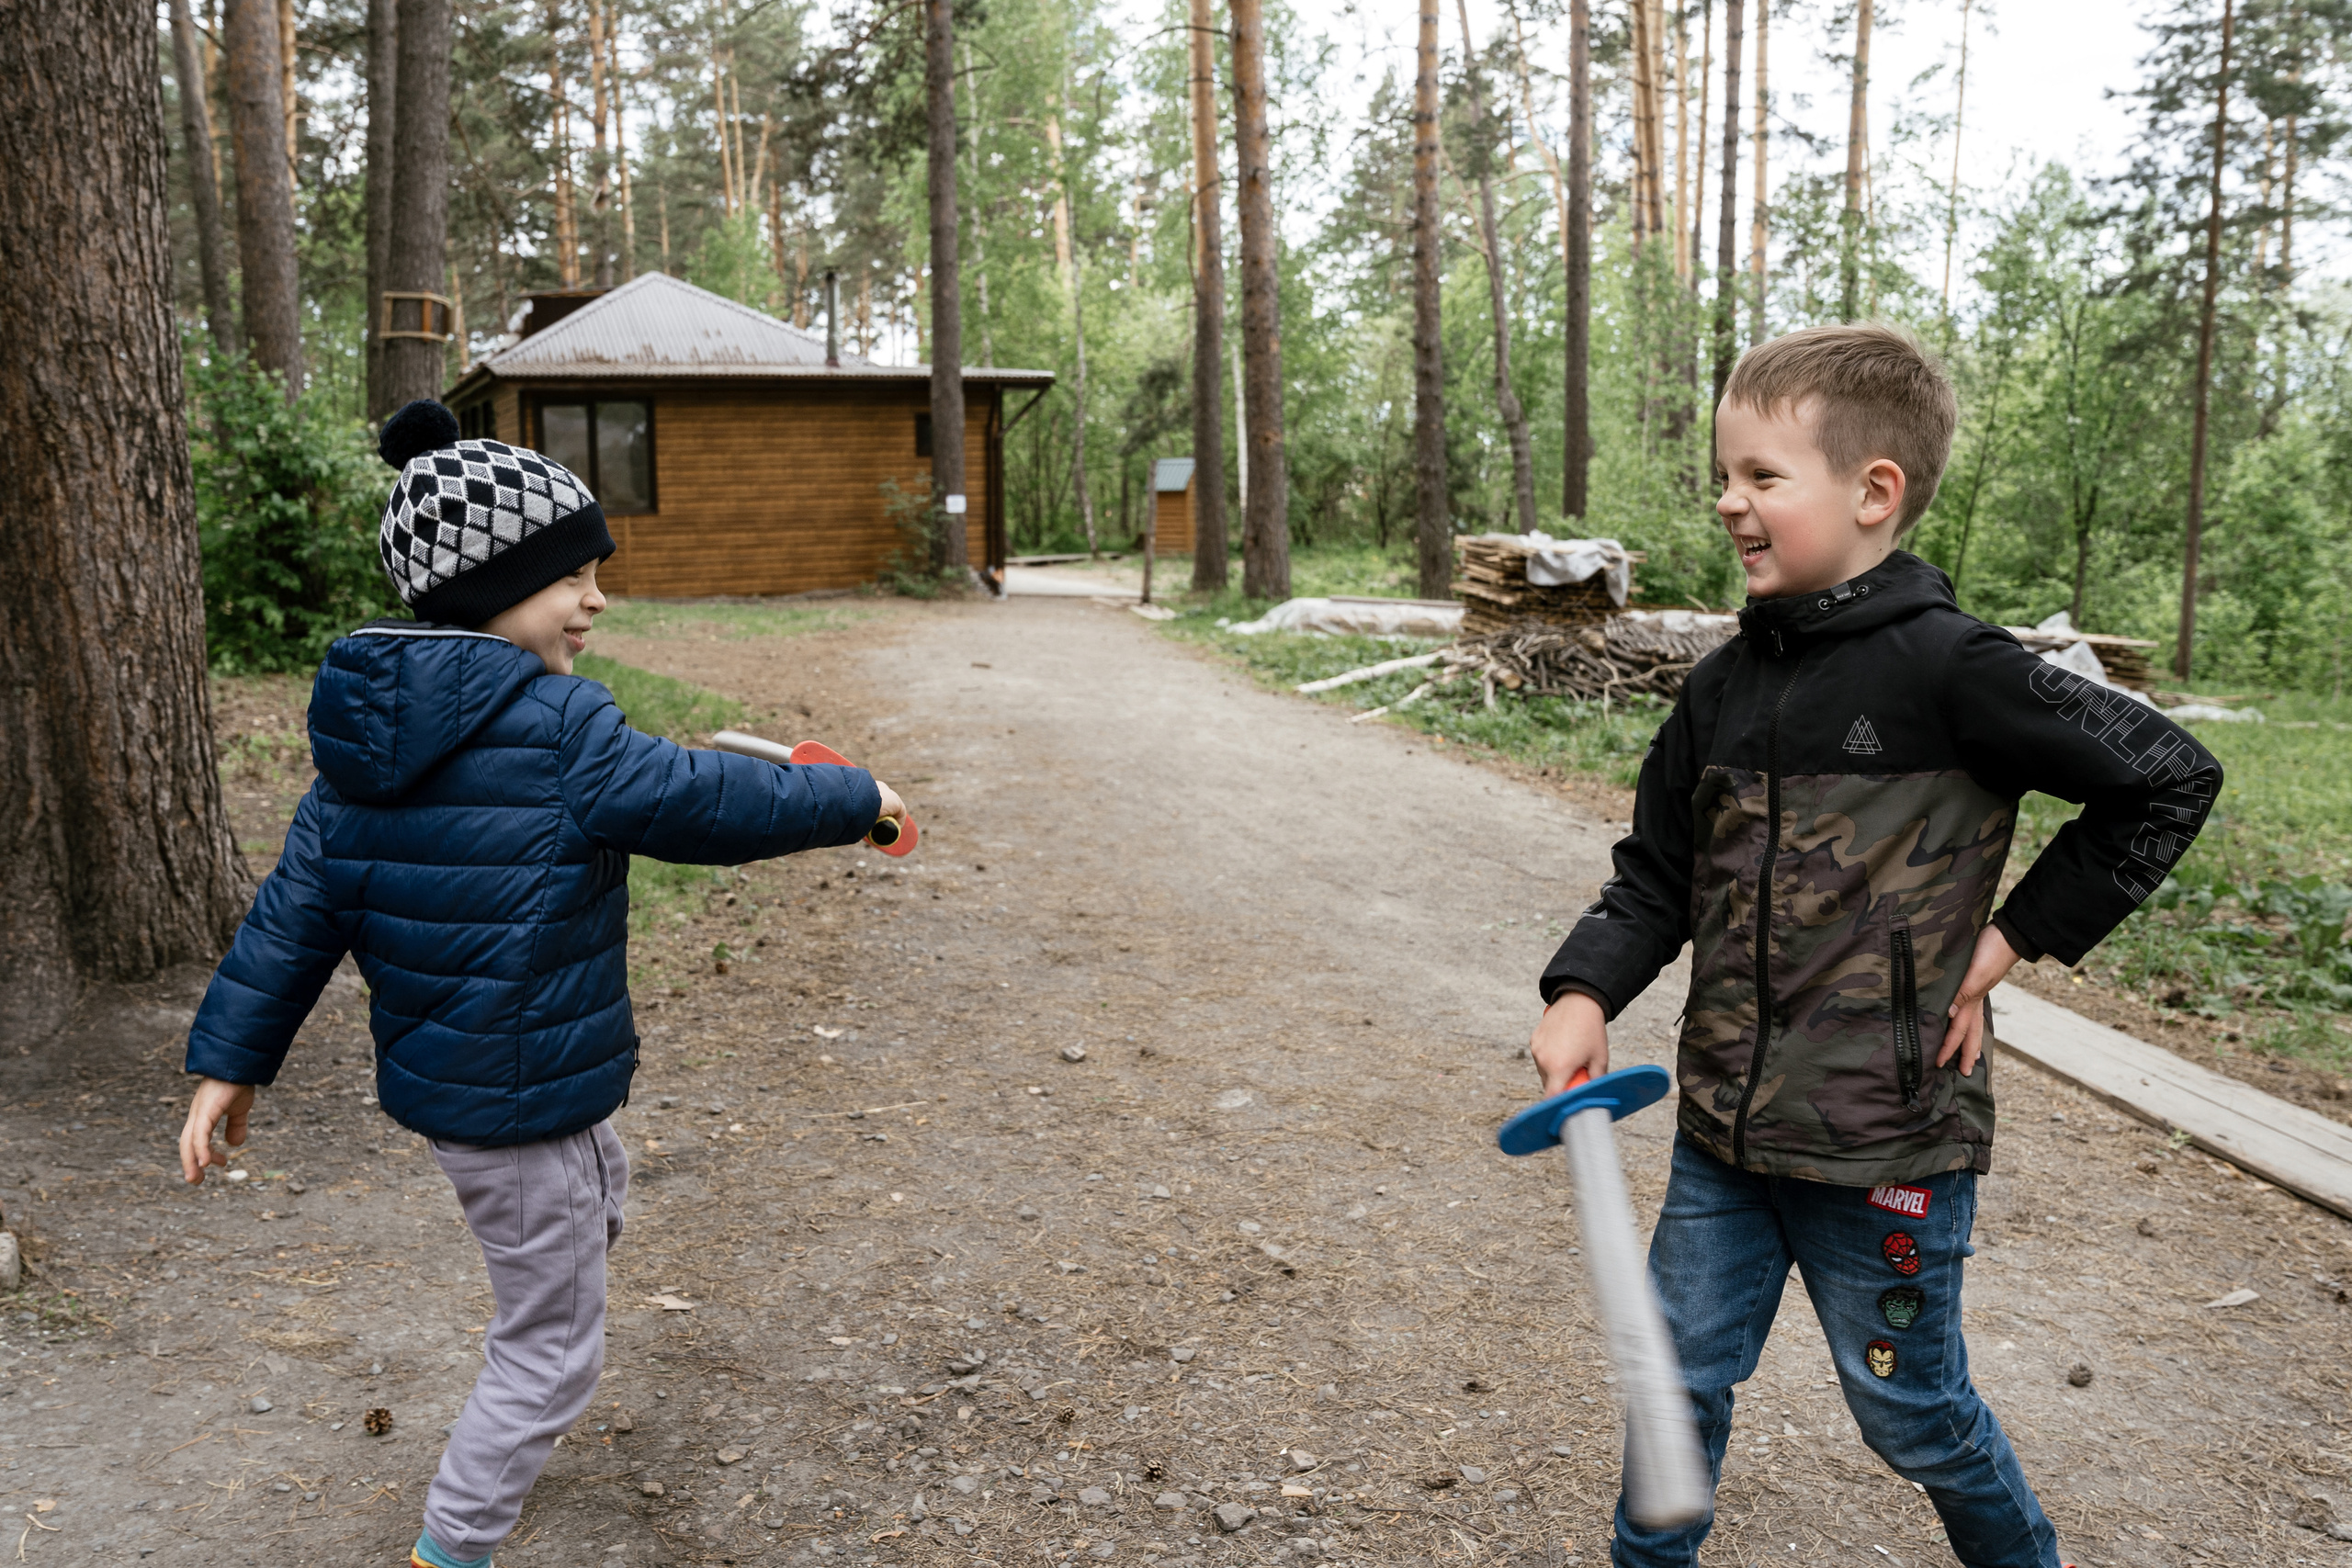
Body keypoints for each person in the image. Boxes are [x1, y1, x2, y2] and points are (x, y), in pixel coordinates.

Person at [1528, 323, 2221, 1568]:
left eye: (1760, 475)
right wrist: (1584, 986)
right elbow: (1655, 872)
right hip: (1725, 1138)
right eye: (1722, 475)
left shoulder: (1960, 670)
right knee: (1672, 1379)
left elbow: (2169, 777)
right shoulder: (1721, 684)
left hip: (1889, 1136)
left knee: (1911, 1409)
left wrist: (2013, 936)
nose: (1728, 501)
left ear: (1874, 489)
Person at [175, 400, 906, 1568]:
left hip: (482, 1089)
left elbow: (291, 916)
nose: (596, 599)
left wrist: (228, 1061)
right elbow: (695, 800)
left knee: (591, 1188)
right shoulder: (558, 722)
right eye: (572, 574)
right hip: (517, 1094)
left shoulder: (360, 745)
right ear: (486, 589)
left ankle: (558, 1275)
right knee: (552, 1346)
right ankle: (453, 1544)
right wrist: (850, 799)